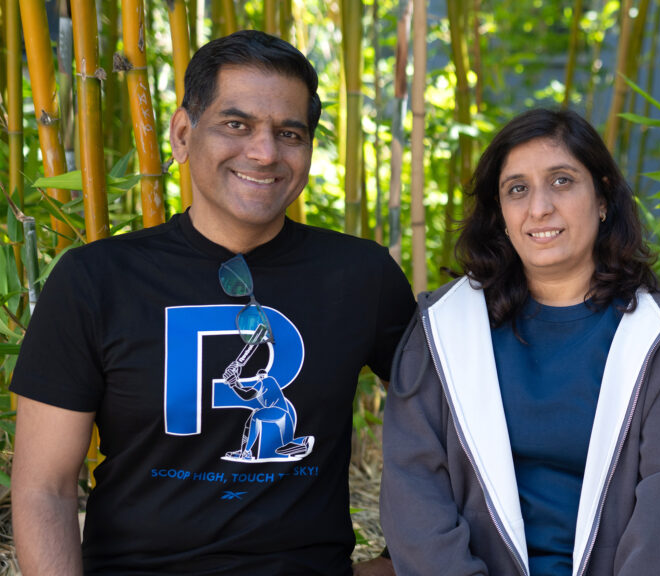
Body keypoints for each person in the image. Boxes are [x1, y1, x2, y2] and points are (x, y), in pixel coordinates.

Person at [11, 30, 414, 575]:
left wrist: (402, 561)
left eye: (289, 133)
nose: (265, 152)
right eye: (236, 124)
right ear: (181, 134)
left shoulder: (361, 276)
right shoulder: (95, 280)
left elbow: (450, 428)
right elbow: (44, 489)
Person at [379, 108, 660, 576]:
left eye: (561, 181)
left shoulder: (659, 335)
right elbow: (413, 492)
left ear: (602, 198)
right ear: (500, 213)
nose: (539, 207)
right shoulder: (444, 328)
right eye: (517, 189)